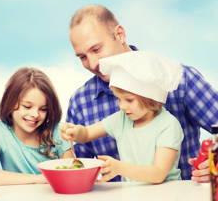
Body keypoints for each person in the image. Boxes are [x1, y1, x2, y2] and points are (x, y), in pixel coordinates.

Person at [66, 4, 218, 182]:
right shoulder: (81, 101)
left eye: (96, 49)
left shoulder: (179, 79)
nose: (92, 64)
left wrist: (214, 163)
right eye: (82, 57)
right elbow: (77, 164)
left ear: (120, 35)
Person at [62, 51, 184, 183]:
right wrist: (76, 132)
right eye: (119, 99)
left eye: (129, 100)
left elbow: (158, 174)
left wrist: (119, 167)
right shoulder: (121, 119)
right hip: (132, 195)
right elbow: (87, 133)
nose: (122, 106)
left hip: (166, 194)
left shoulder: (168, 125)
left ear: (151, 98)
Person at [0, 67, 73, 184]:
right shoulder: (1, 131)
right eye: (27, 106)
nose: (35, 114)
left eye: (43, 109)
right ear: (10, 102)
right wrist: (39, 179)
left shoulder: (56, 131)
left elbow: (72, 174)